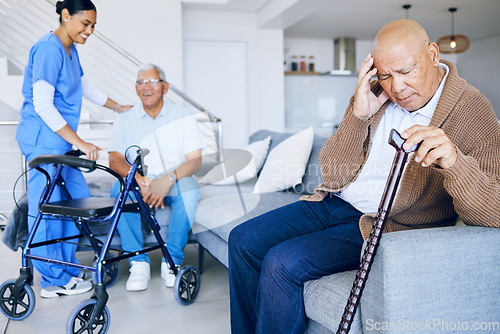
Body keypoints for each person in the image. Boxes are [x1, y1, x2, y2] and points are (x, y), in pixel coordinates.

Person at [228, 19, 500, 333]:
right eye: (385, 75)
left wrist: (455, 163)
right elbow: (330, 170)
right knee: (243, 239)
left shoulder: (474, 111)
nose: (396, 88)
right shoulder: (373, 94)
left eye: (406, 71)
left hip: (379, 224)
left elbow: (493, 208)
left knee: (281, 263)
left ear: (433, 54)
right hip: (331, 203)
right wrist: (358, 116)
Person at [16, 0, 133, 299]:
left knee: (76, 203)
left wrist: (119, 107)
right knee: (48, 210)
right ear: (66, 16)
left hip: (62, 144)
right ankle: (53, 280)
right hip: (43, 141)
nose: (90, 31)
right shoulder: (48, 49)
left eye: (93, 26)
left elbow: (86, 89)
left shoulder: (71, 51)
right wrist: (81, 141)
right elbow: (42, 105)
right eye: (85, 24)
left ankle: (66, 268)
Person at [108, 63, 205, 291]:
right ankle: (138, 262)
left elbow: (195, 160)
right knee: (118, 190)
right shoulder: (125, 119)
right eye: (141, 82)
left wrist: (167, 180)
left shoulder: (183, 116)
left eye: (152, 81)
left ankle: (172, 261)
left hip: (174, 179)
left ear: (165, 87)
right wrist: (141, 181)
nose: (146, 87)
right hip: (138, 178)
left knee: (190, 190)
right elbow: (114, 160)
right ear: (136, 88)